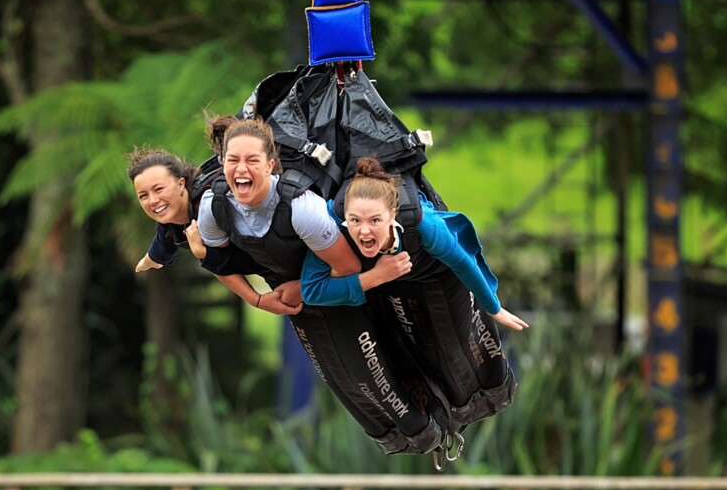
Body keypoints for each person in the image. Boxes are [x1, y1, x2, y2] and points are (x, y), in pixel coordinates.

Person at [195, 117, 450, 456]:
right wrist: (257, 299)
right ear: (222, 164)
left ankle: (435, 429)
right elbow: (219, 263)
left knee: (369, 368)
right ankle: (410, 440)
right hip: (290, 297)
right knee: (341, 379)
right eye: (233, 160)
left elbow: (347, 266)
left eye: (252, 160)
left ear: (271, 165)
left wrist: (302, 287)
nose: (241, 169)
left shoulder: (302, 209)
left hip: (334, 280)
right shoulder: (214, 206)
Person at [301, 156, 527, 425]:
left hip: (430, 272)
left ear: (392, 215)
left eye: (375, 220)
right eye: (355, 221)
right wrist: (375, 276)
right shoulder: (331, 228)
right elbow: (312, 291)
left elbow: (462, 260)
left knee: (448, 348)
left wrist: (493, 307)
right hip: (381, 280)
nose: (364, 231)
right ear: (344, 219)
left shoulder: (422, 224)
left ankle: (482, 398)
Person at [127, 146, 300, 316]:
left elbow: (221, 263)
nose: (153, 201)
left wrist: (202, 252)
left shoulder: (208, 207)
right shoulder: (172, 221)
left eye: (159, 189)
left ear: (181, 184)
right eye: (143, 195)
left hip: (304, 262)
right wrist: (149, 260)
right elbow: (162, 245)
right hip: (286, 272)